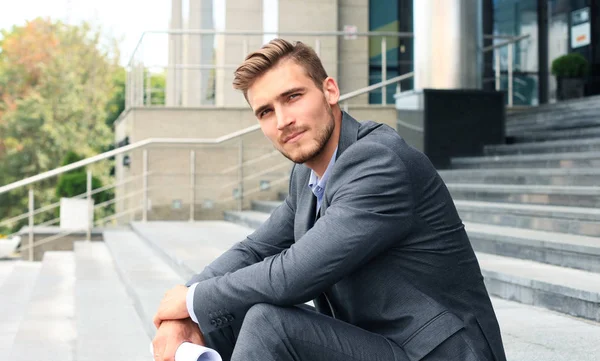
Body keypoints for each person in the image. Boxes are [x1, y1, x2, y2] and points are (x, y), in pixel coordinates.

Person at [151, 38, 507, 361]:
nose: (283, 121)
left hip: (438, 353)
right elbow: (254, 250)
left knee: (268, 324)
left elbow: (293, 275)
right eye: (266, 112)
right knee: (222, 318)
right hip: (380, 343)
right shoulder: (307, 174)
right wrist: (183, 306)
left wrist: (192, 301)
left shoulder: (379, 161)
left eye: (293, 97)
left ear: (330, 91)